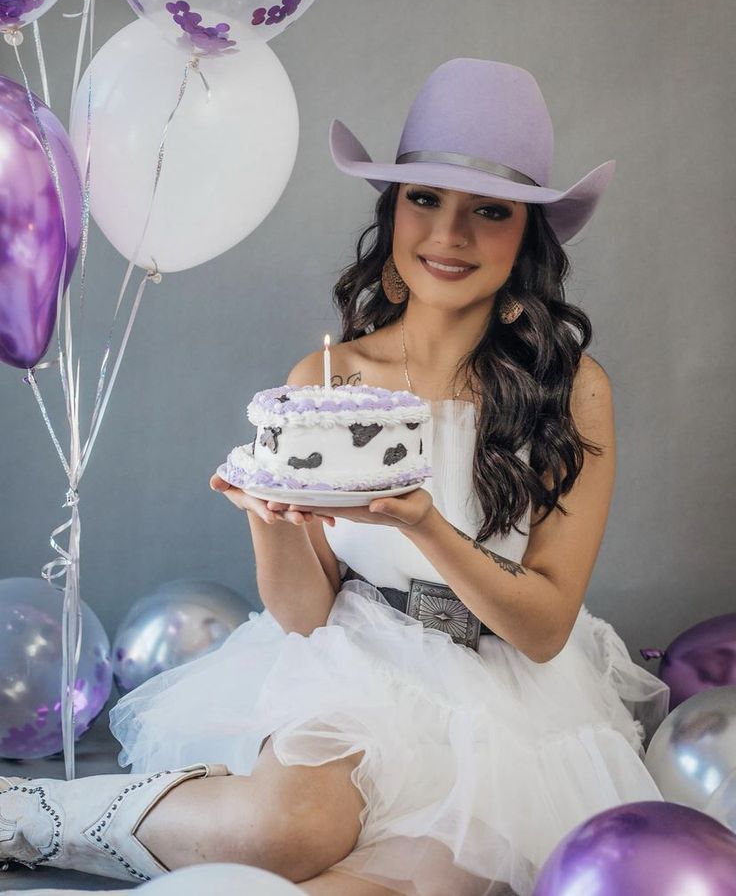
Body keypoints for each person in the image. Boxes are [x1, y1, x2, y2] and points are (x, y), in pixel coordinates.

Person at [1, 59, 670, 896]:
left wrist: (424, 522)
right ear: (392, 213)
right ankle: (27, 816)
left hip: (507, 695)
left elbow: (541, 628)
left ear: (528, 236)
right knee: (284, 830)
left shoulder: (572, 389)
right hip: (356, 660)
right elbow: (306, 615)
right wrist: (268, 513)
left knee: (392, 882)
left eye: (488, 213)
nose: (448, 235)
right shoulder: (328, 382)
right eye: (424, 200)